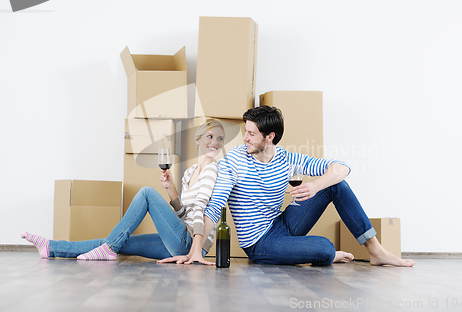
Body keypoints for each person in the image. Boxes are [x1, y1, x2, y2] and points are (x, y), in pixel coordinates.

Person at [165, 106, 415, 267]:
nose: (245, 138)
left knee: (335, 184)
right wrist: (195, 250)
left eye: (251, 133)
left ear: (269, 136)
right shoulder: (235, 160)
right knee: (325, 248)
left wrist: (316, 186)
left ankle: (376, 251)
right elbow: (215, 204)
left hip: (283, 224)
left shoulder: (286, 158)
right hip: (259, 242)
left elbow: (342, 167)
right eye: (246, 131)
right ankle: (324, 253)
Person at [22, 119, 225, 264]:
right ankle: (52, 246)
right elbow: (184, 215)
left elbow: (200, 209)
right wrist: (171, 190)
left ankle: (107, 249)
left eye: (220, 138)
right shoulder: (190, 172)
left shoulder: (211, 169)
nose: (214, 142)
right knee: (118, 241)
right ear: (198, 139)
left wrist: (194, 251)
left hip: (189, 244)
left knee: (146, 193)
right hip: (179, 239)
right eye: (210, 136)